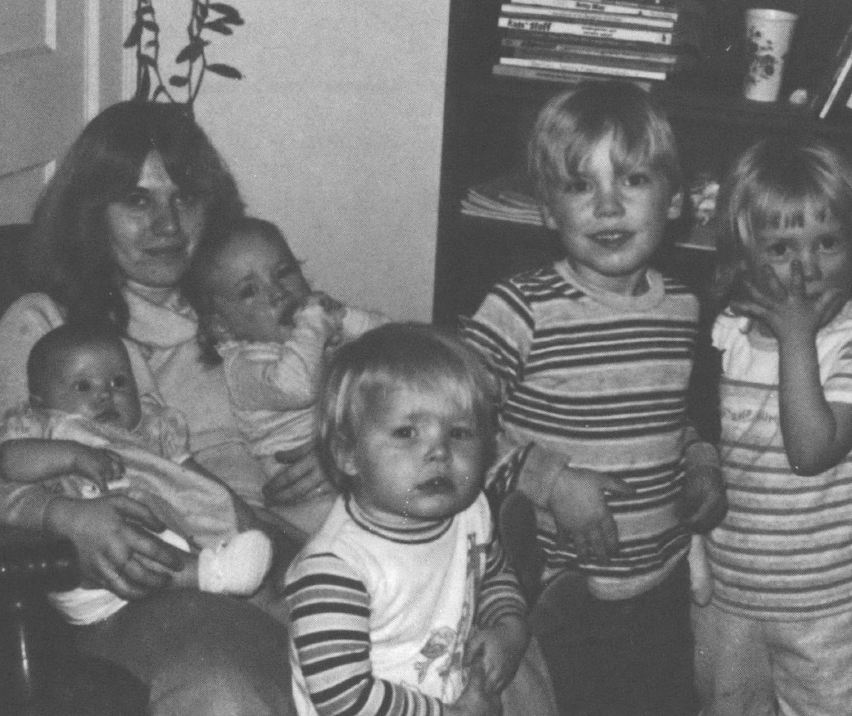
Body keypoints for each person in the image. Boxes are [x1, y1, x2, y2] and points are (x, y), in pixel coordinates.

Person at [0, 100, 304, 715]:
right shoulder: (47, 323)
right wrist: (63, 517)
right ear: (91, 213)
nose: (166, 225)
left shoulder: (241, 299)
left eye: (184, 198)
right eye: (137, 202)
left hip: (308, 546)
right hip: (166, 584)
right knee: (227, 687)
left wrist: (339, 444)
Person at [461, 81, 726, 716]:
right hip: (553, 589)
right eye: (581, 186)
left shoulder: (684, 307)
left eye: (632, 180)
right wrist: (548, 480)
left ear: (676, 202)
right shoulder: (520, 306)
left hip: (658, 582)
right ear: (549, 211)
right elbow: (455, 418)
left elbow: (667, 417)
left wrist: (701, 463)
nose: (608, 207)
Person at [693, 137, 852, 716]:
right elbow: (710, 435)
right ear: (744, 255)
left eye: (828, 243)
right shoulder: (731, 331)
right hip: (730, 585)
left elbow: (810, 450)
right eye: (782, 247)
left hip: (822, 600)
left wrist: (795, 338)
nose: (807, 268)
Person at [286, 323, 559, 716]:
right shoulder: (336, 569)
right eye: (406, 432)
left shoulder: (471, 511)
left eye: (460, 432)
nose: (439, 451)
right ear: (348, 454)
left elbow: (492, 573)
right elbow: (344, 700)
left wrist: (509, 625)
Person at [0, 325, 276, 624]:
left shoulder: (151, 430)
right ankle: (212, 574)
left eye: (119, 382)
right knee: (147, 551)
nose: (105, 395)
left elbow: (193, 480)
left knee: (257, 588)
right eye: (83, 386)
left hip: (168, 541)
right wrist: (71, 455)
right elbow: (8, 463)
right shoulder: (44, 427)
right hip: (92, 567)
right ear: (39, 402)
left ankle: (265, 604)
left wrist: (237, 515)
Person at [182, 216, 388, 532]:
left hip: (352, 469)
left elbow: (391, 341)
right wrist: (313, 324)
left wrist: (343, 316)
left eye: (284, 272)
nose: (277, 292)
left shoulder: (312, 335)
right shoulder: (245, 366)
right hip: (309, 501)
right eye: (249, 291)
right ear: (223, 326)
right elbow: (298, 386)